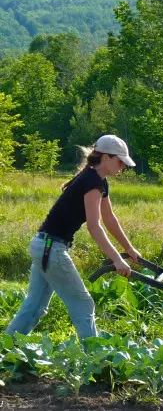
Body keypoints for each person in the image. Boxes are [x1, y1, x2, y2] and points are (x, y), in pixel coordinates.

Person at [4, 135, 139, 341]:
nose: (123, 166)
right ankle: (94, 358)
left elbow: (110, 219)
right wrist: (116, 259)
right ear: (105, 157)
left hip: (44, 245)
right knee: (83, 304)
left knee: (35, 306)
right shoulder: (91, 182)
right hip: (51, 248)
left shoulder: (97, 181)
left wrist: (129, 250)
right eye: (120, 161)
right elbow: (95, 227)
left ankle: (6, 348)